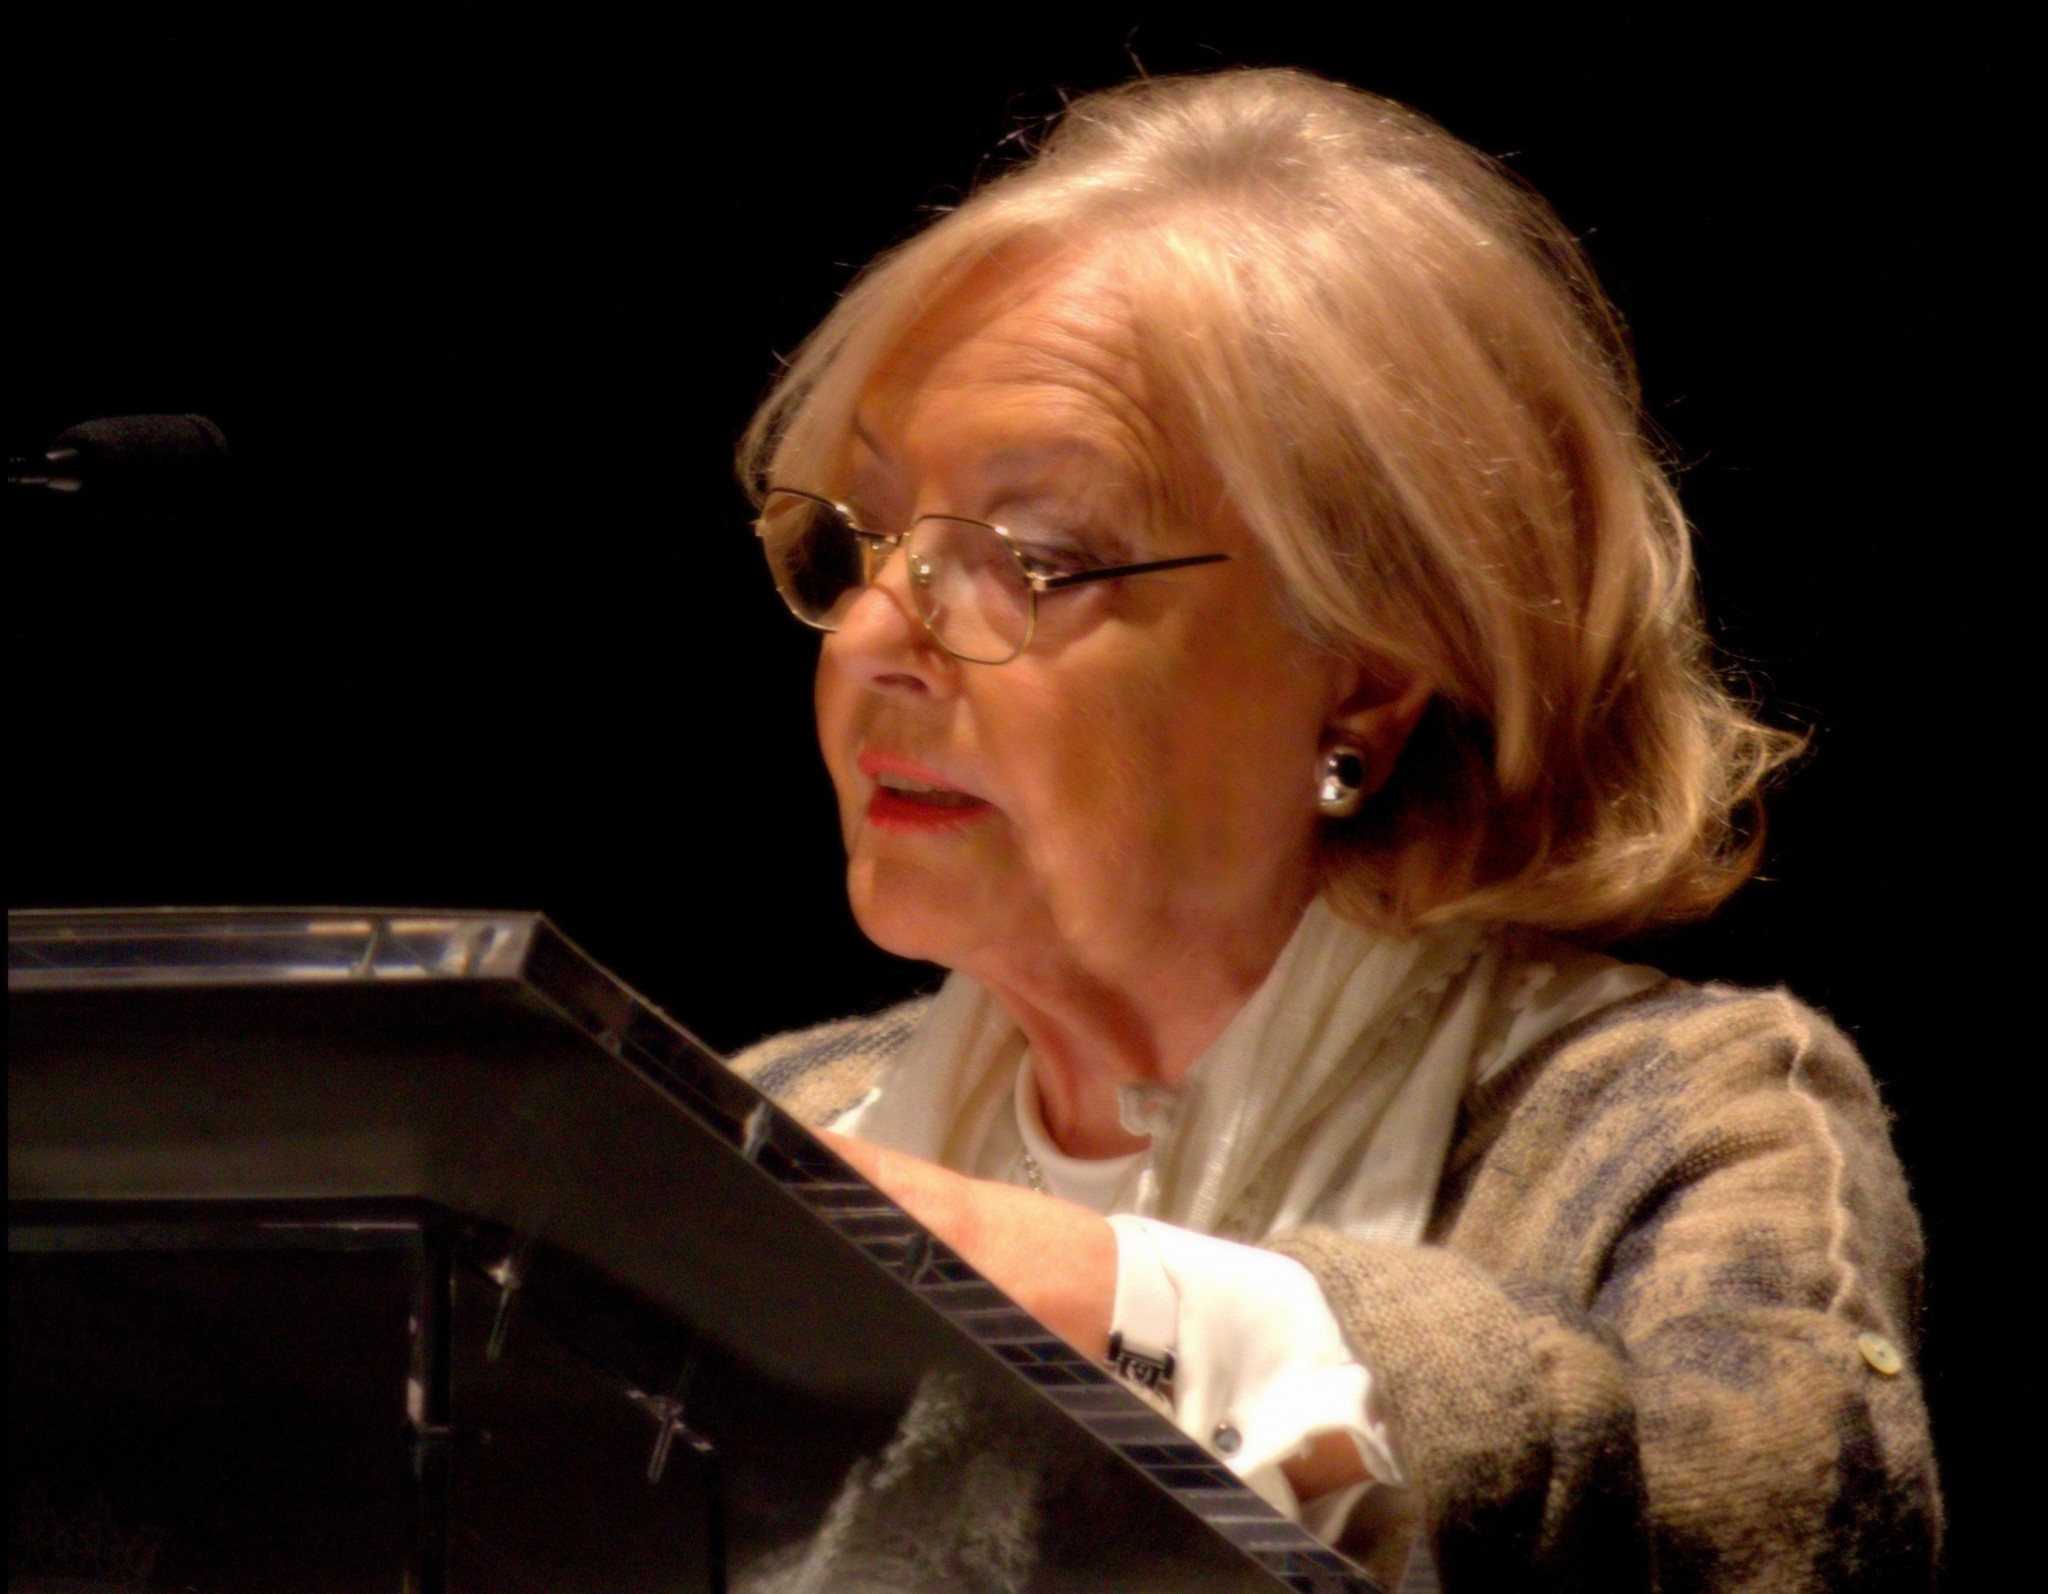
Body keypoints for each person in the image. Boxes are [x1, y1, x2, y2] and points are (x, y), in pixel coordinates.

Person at [726, 68, 1939, 1591]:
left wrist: (1114, 1302)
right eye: (859, 535)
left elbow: (1770, 1514)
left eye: (1035, 557)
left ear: (1364, 680)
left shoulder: (1674, 1121)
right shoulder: (777, 1124)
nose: (872, 639)